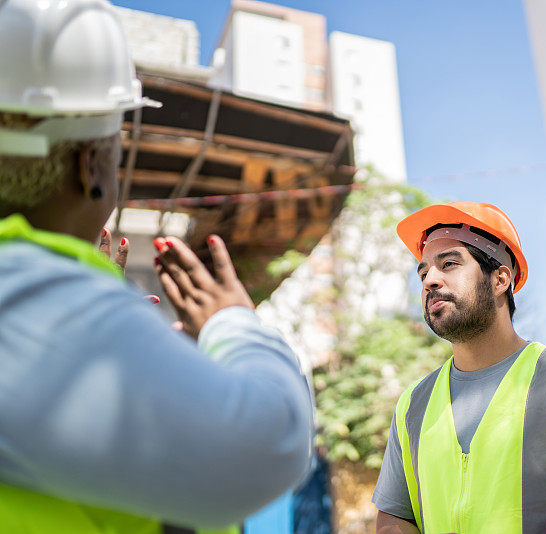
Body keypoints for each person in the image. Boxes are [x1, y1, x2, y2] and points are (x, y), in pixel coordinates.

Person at [0, 0, 313, 532]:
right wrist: (232, 323)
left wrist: (97, 296)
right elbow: (265, 445)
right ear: (92, 166)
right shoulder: (24, 295)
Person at [372, 202, 546, 533]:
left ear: (500, 279)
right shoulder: (412, 406)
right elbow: (393, 520)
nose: (429, 280)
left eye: (448, 264)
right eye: (423, 273)